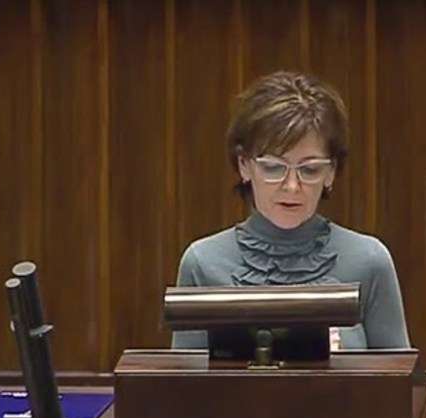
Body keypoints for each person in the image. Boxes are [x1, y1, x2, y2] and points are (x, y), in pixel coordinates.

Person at [171, 71, 410, 350]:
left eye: (310, 169)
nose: (292, 186)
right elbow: (185, 376)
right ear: (244, 165)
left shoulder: (370, 261)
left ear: (331, 172)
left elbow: (397, 374)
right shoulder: (202, 263)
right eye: (273, 168)